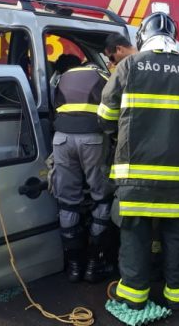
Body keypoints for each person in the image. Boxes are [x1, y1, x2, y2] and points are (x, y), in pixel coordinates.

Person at [98, 12, 179, 311]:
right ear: (174, 37)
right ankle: (177, 296)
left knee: (135, 235)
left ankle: (134, 296)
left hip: (136, 177)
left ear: (142, 37)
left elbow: (106, 118)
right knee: (178, 236)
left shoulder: (129, 67)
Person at [51, 54, 114, 283]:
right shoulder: (101, 75)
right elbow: (112, 110)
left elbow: (53, 108)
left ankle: (74, 267)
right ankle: (94, 265)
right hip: (92, 139)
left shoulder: (61, 77)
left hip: (61, 140)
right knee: (102, 197)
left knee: (68, 201)